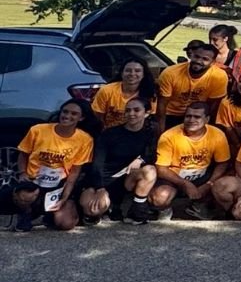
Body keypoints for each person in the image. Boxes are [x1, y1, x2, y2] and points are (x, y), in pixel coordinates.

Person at [15, 99, 98, 230]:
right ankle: (26, 213)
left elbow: (74, 173)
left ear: (81, 118)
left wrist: (64, 198)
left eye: (74, 114)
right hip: (34, 179)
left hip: (59, 184)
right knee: (25, 195)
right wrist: (22, 173)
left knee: (66, 223)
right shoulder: (38, 130)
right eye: (65, 111)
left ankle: (51, 213)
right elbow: (23, 154)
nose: (67, 116)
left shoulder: (85, 140)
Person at [78, 95, 160, 225]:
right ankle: (108, 207)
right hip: (102, 179)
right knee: (92, 210)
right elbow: (97, 164)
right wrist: (100, 188)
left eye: (136, 110)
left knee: (150, 170)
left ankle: (138, 208)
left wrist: (140, 160)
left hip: (126, 179)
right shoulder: (110, 134)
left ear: (146, 113)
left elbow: (152, 156)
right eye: (128, 110)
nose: (131, 113)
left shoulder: (150, 133)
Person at [151, 104, 233, 219]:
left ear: (207, 119)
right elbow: (161, 168)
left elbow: (223, 163)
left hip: (203, 175)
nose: (191, 120)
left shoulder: (217, 134)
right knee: (160, 196)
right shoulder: (169, 136)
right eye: (188, 116)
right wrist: (185, 184)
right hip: (175, 176)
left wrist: (209, 184)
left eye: (197, 117)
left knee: (224, 183)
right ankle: (165, 210)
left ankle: (203, 206)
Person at [156, 42, 228, 129]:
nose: (198, 61)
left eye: (205, 59)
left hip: (198, 115)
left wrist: (206, 129)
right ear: (191, 56)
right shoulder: (170, 73)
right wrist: (161, 131)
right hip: (170, 114)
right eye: (196, 56)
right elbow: (162, 105)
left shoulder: (219, 76)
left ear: (213, 62)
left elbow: (213, 107)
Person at [92, 59, 156, 129]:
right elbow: (97, 117)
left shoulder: (150, 93)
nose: (132, 74)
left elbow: (149, 119)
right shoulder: (106, 90)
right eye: (128, 70)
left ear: (143, 74)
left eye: (137, 71)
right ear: (122, 73)